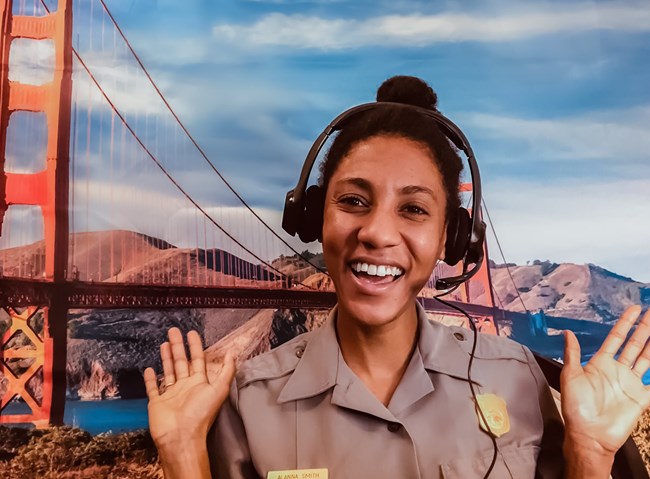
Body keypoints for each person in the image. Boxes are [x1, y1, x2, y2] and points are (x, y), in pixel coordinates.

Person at [144, 76, 650, 479]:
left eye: (413, 208)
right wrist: (182, 453)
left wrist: (589, 454)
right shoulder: (246, 404)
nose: (377, 232)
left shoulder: (518, 379)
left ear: (454, 238)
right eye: (353, 201)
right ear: (314, 217)